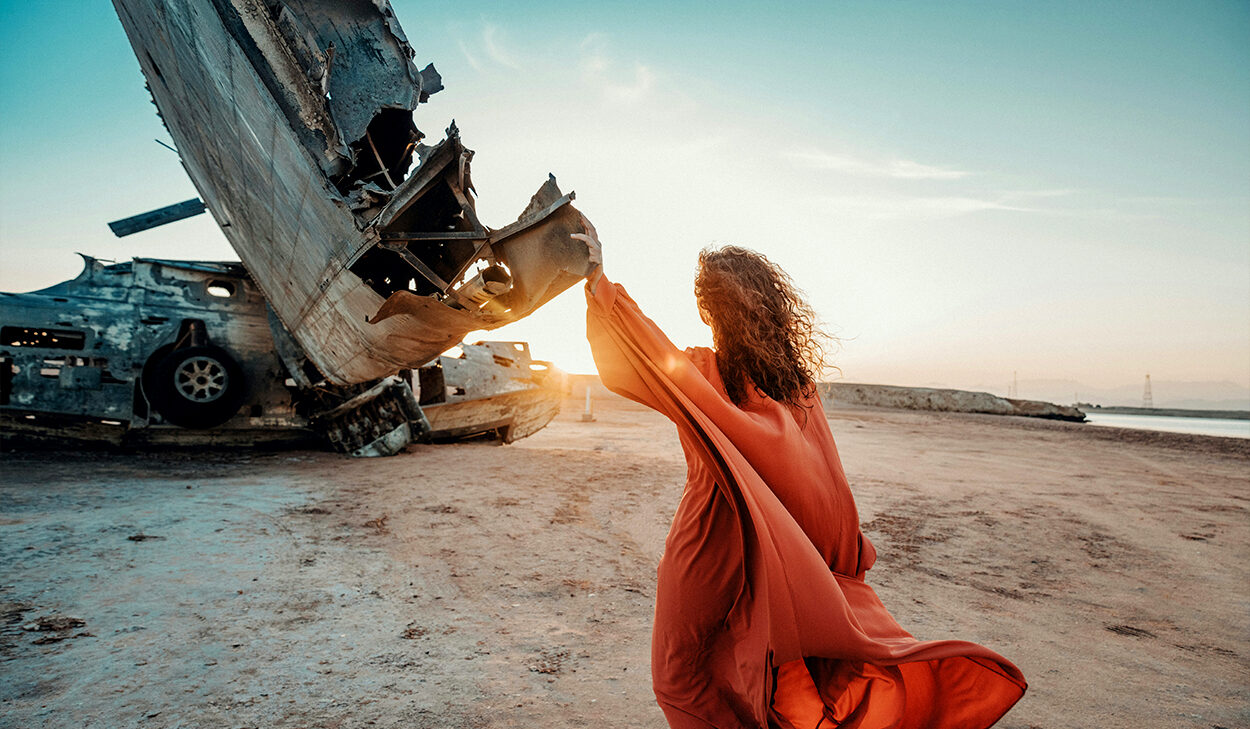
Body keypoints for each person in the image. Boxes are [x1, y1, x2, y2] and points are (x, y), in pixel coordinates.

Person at [572, 218, 1027, 729]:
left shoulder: (701, 371)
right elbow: (827, 481)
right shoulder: (798, 389)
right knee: (769, 674)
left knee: (681, 675)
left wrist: (598, 281)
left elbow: (640, 354)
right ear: (777, 308)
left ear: (707, 310)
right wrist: (840, 560)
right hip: (786, 551)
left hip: (710, 545)